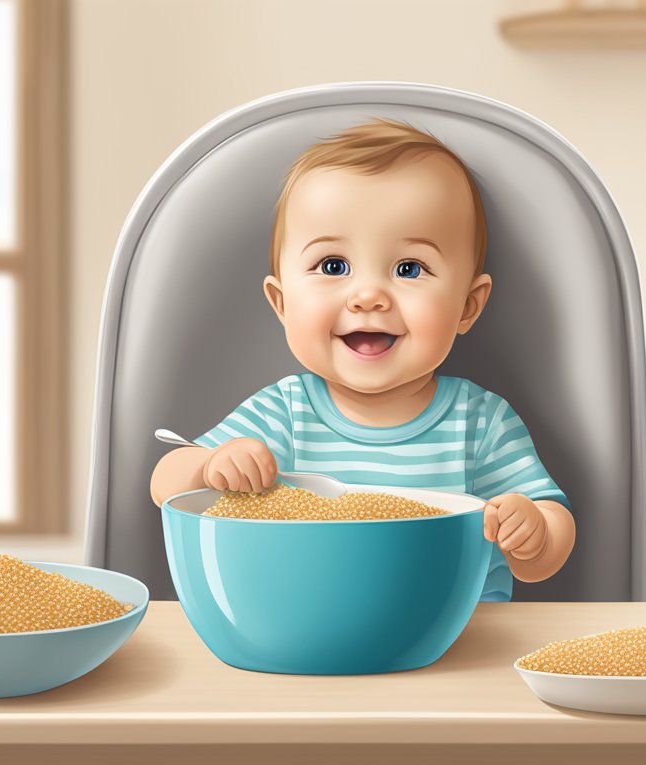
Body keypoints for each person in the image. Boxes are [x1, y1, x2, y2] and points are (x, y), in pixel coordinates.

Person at [149, 118, 574, 600]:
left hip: (456, 644)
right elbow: (166, 483)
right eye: (334, 266)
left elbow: (548, 553)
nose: (368, 295)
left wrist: (533, 530)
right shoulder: (285, 414)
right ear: (282, 304)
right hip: (312, 636)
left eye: (409, 269)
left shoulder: (479, 424)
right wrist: (209, 468)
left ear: (468, 306)